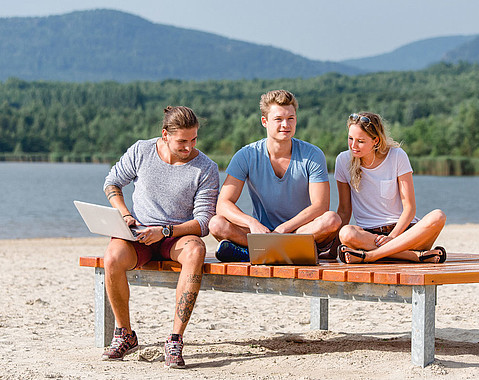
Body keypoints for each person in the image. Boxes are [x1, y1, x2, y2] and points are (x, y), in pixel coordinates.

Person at [100, 106, 219, 368]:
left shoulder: (206, 168)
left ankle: (175, 339)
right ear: (165, 135)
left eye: (194, 140)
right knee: (112, 257)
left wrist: (164, 232)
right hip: (138, 233)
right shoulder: (142, 151)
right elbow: (112, 182)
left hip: (175, 236)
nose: (189, 147)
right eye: (182, 141)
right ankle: (125, 334)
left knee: (196, 250)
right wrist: (125, 215)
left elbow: (203, 223)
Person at [208, 89, 341, 261]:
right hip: (261, 231)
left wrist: (284, 229)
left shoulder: (313, 155)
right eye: (278, 119)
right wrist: (252, 223)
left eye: (290, 119)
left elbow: (320, 206)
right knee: (216, 224)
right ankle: (282, 250)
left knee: (331, 219)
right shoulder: (246, 155)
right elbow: (223, 204)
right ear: (265, 121)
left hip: (300, 230)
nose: (285, 125)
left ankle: (256, 252)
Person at [335, 112, 447, 264]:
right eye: (350, 139)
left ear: (375, 140)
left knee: (438, 216)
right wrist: (333, 249)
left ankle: (371, 256)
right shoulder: (342, 161)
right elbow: (344, 210)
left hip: (405, 233)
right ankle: (414, 256)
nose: (353, 146)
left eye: (360, 141)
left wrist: (393, 237)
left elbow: (409, 208)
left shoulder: (397, 156)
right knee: (347, 233)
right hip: (370, 236)